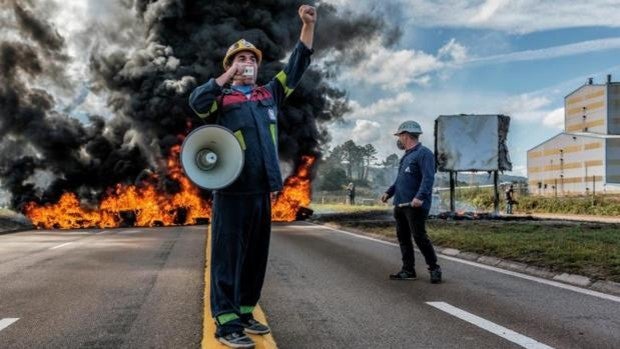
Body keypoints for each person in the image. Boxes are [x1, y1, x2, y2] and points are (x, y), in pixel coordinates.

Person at [188, 5, 316, 348]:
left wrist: (307, 26)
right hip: (232, 191)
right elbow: (196, 102)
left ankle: (245, 310)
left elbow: (298, 64)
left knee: (255, 256)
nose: (248, 63)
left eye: (252, 59)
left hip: (263, 190)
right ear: (230, 65)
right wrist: (226, 77)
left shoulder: (268, 94)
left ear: (259, 67)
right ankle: (226, 321)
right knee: (228, 256)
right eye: (240, 59)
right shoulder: (221, 98)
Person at [380, 121, 442, 284]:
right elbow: (400, 180)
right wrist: (389, 192)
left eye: (399, 135)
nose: (398, 139)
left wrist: (420, 197)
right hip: (400, 205)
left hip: (415, 206)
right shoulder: (407, 156)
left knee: (419, 237)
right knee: (403, 238)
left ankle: (434, 268)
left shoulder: (424, 153)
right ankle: (408, 270)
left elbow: (428, 178)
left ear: (406, 135)